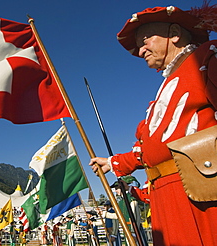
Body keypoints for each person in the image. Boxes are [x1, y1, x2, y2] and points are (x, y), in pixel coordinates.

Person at [90, 3, 217, 246]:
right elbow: (152, 151)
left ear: (174, 34)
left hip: (200, 195)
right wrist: (112, 162)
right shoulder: (165, 87)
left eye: (146, 39)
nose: (140, 51)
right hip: (165, 199)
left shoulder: (207, 57)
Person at [110, 176, 148, 246]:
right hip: (127, 228)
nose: (115, 190)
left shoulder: (131, 199)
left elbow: (135, 216)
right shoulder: (121, 202)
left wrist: (134, 232)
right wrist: (105, 214)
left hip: (134, 229)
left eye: (116, 188)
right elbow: (119, 216)